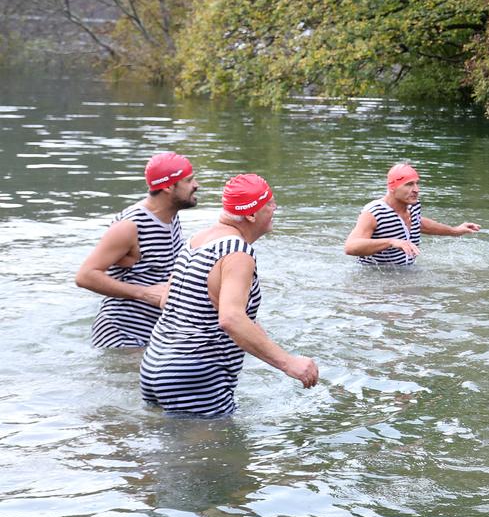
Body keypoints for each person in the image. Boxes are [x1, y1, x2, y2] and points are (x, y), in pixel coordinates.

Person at [140, 174, 318, 417]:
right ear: (251, 214)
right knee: (215, 456)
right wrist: (290, 363)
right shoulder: (237, 251)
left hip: (155, 365)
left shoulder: (197, 240)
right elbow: (230, 318)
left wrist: (256, 335)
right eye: (270, 203)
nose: (275, 208)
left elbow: (166, 301)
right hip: (195, 375)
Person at [79, 152, 199, 347]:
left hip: (155, 334)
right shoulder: (130, 225)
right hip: (122, 337)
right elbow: (85, 276)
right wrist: (142, 293)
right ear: (168, 187)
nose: (196, 184)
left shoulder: (171, 216)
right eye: (188, 180)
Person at [343, 163, 480, 265]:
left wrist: (455, 231)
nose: (416, 189)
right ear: (392, 188)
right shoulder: (374, 212)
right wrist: (391, 242)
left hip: (406, 272)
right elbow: (350, 247)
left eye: (416, 184)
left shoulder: (412, 206)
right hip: (374, 278)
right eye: (409, 184)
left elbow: (419, 223)